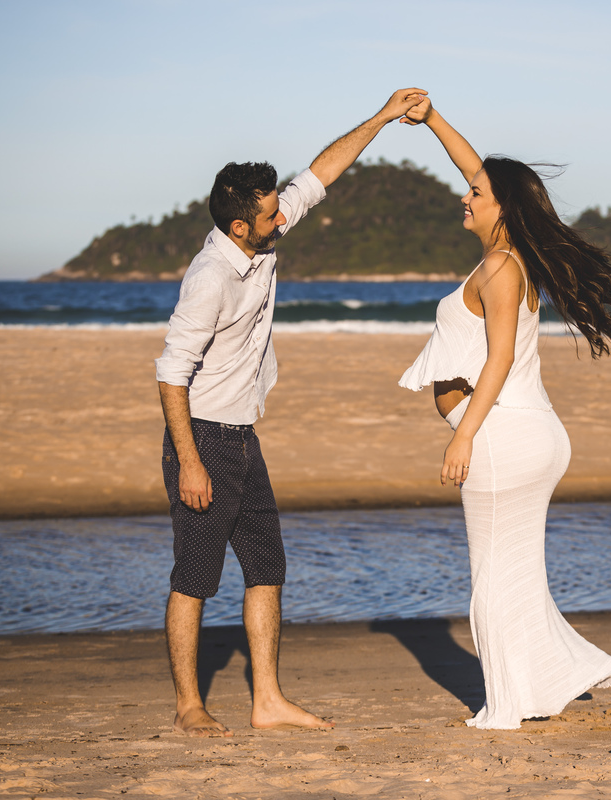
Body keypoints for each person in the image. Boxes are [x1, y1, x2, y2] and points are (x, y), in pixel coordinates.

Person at [155, 88, 427, 737]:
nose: (284, 219)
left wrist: (386, 116)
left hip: (243, 439)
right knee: (194, 578)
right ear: (240, 225)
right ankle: (191, 706)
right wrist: (191, 462)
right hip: (203, 442)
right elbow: (170, 372)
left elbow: (323, 173)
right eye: (272, 214)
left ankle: (267, 700)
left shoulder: (260, 237)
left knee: (268, 568)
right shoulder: (209, 278)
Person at [398, 98, 611, 730]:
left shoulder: (500, 265)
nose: (465, 197)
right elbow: (481, 172)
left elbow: (498, 357)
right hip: (531, 433)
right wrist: (434, 119)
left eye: (475, 193)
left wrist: (463, 435)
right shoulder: (511, 258)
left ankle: (503, 708)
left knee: (495, 582)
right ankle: (543, 684)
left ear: (500, 206)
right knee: (518, 579)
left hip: (503, 436)